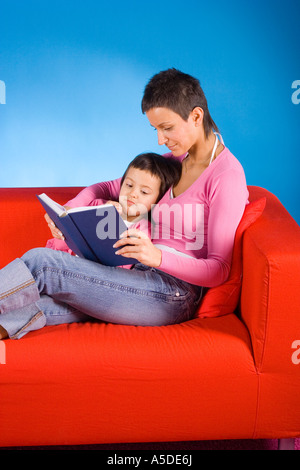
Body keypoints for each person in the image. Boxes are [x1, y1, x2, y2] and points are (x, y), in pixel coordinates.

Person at [0, 68, 248, 340]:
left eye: (167, 128)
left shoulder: (227, 176)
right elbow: (104, 188)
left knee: (42, 263)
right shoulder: (173, 163)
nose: (159, 140)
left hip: (173, 294)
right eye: (155, 129)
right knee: (40, 305)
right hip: (135, 276)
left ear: (196, 116)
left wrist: (158, 257)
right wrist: (69, 210)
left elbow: (220, 270)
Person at [45, 152, 182, 255]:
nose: (133, 193)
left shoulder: (145, 231)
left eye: (144, 192)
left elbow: (125, 266)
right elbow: (57, 244)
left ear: (158, 200)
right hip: (62, 263)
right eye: (128, 185)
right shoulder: (97, 205)